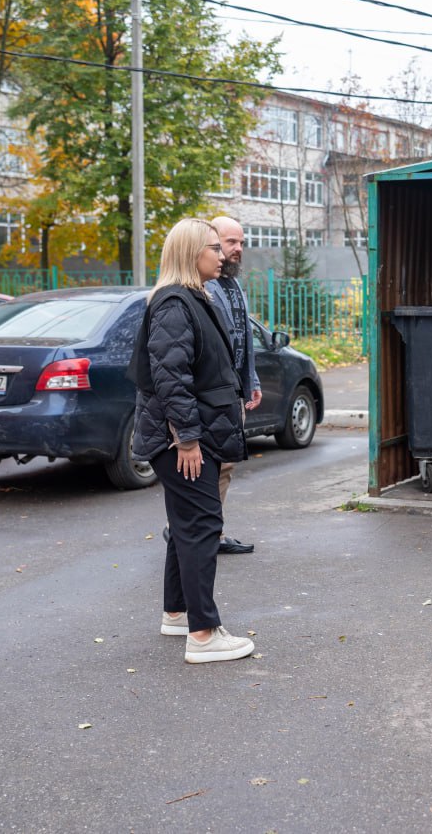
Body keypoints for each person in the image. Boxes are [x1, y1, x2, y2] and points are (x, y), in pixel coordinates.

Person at [130, 218, 254, 663]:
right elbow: (170, 378)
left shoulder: (191, 298)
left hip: (191, 433)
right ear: (190, 253)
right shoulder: (173, 304)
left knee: (186, 526)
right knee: (203, 526)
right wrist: (186, 438)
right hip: (183, 439)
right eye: (213, 248)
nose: (221, 255)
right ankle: (203, 634)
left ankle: (177, 613)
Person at [206, 216, 261, 554]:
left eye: (241, 242)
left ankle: (210, 530)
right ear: (213, 244)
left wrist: (250, 380)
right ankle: (203, 531)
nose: (238, 249)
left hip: (234, 393)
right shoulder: (203, 286)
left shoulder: (234, 284)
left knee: (225, 465)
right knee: (212, 465)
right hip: (214, 394)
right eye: (230, 243)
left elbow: (245, 337)